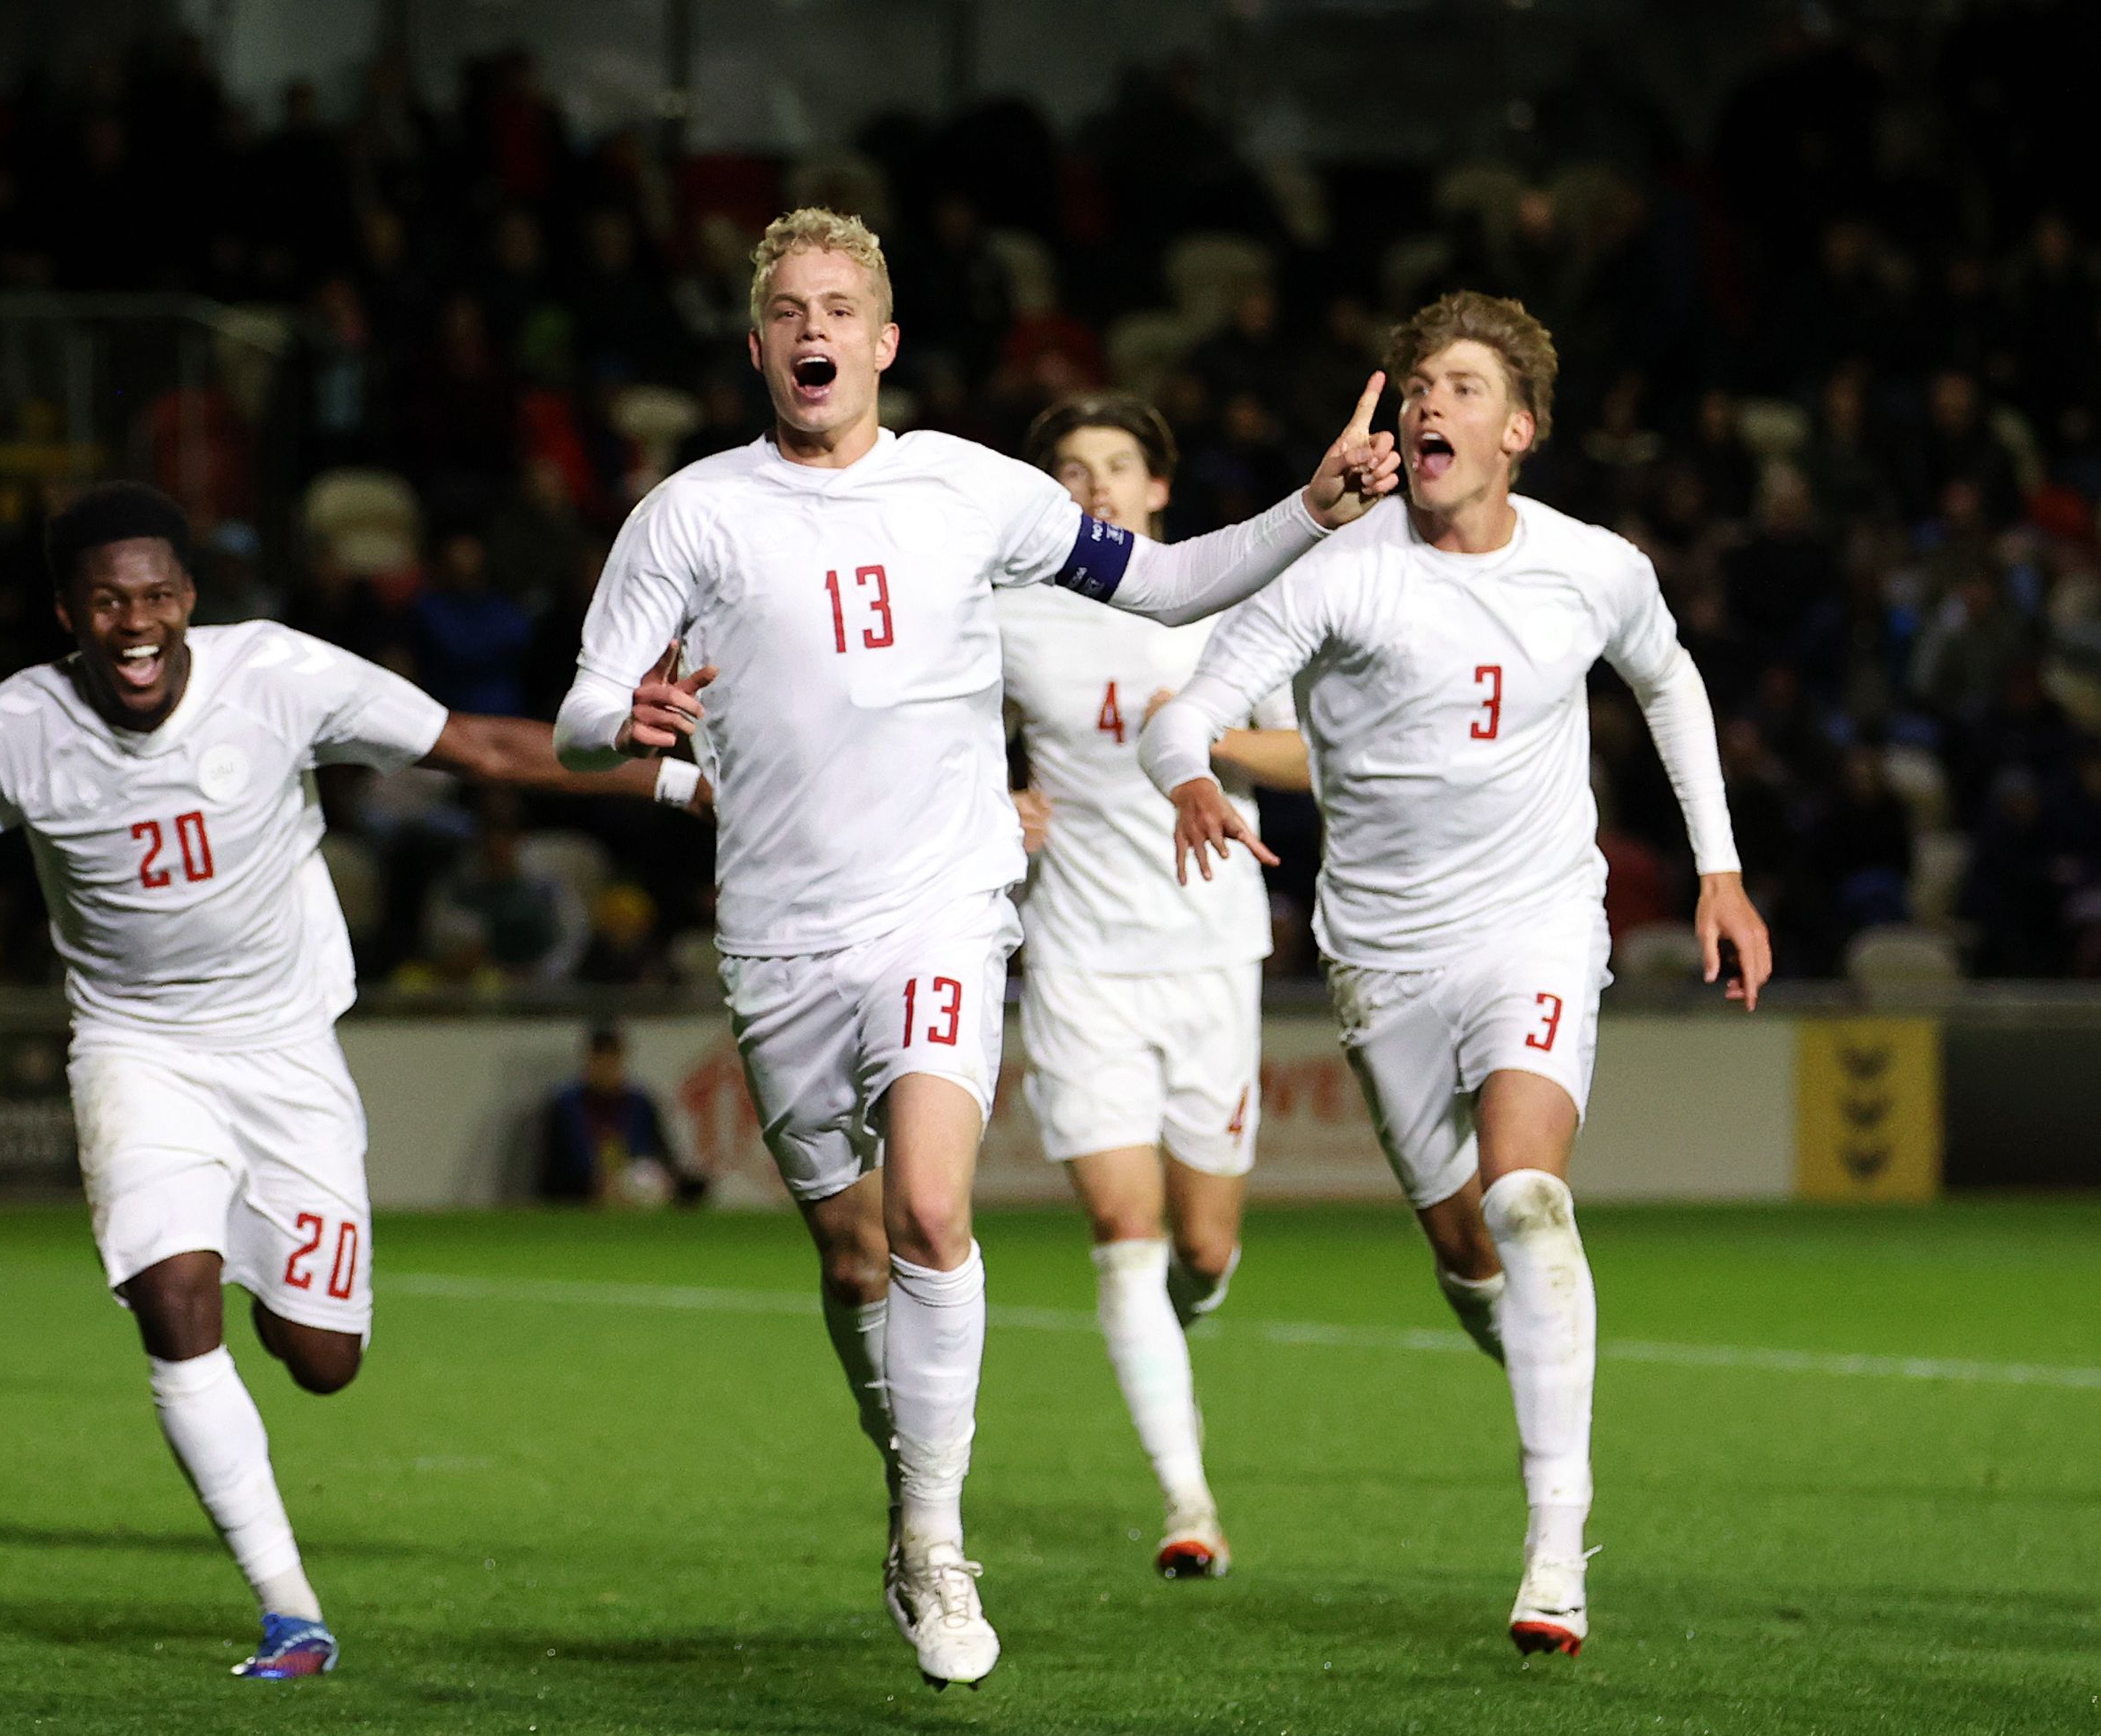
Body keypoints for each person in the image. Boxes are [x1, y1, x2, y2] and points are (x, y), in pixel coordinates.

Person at [0, 482, 702, 1683]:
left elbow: (479, 745)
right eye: (104, 602)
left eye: (152, 596)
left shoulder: (280, 674)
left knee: (319, 1355)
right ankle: (289, 1608)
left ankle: (260, 1269)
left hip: (287, 1053)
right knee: (173, 1296)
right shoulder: (12, 730)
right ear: (65, 615)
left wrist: (665, 778)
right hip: (136, 1052)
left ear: (188, 599)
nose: (133, 622)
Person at [553, 207, 1398, 1688]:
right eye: (784, 310)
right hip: (776, 935)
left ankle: (930, 1538)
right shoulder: (689, 514)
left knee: (933, 1210)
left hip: (942, 907)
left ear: (880, 341)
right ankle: (907, 1470)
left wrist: (1310, 507)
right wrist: (613, 723)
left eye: (839, 306)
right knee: (850, 1244)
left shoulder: (965, 486)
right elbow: (579, 712)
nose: (811, 328)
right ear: (756, 346)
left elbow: (1171, 579)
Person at [1138, 291, 1771, 1657]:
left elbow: (1669, 682)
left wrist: (1718, 869)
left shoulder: (1592, 566)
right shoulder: (1337, 563)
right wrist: (1188, 771)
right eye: (1419, 383)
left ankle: (1555, 1548)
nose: (1430, 405)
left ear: (1520, 429)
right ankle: (1532, 1341)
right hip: (1380, 952)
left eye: (1463, 387)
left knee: (1529, 1193)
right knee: (1470, 1246)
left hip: (1537, 923)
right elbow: (1189, 700)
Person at [999, 392, 1309, 1582]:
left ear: (1158, 487)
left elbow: (1309, 751)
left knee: (1204, 1245)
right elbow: (933, 727)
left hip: (1208, 952)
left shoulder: (1220, 597)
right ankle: (1189, 1503)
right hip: (1078, 958)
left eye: (1117, 467)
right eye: (1071, 470)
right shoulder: (1008, 612)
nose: (1094, 488)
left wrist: (1208, 740)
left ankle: (1180, 1321)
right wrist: (997, 801)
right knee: (1123, 1232)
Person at [533, 1023, 694, 1205]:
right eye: (600, 1061)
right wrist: (593, 1185)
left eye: (612, 1061)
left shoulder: (641, 1104)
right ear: (589, 1061)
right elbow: (549, 1174)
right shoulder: (565, 1106)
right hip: (583, 1194)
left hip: (639, 1188)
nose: (606, 1070)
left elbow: (665, 1158)